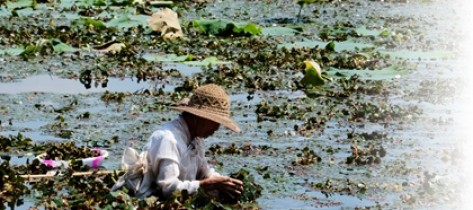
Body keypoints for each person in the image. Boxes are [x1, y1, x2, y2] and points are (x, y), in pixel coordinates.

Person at [112, 84, 243, 200]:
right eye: (215, 123)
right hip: (151, 200)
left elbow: (204, 173)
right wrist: (206, 185)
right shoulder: (168, 139)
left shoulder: (196, 138)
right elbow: (169, 189)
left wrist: (225, 182)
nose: (216, 128)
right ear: (200, 118)